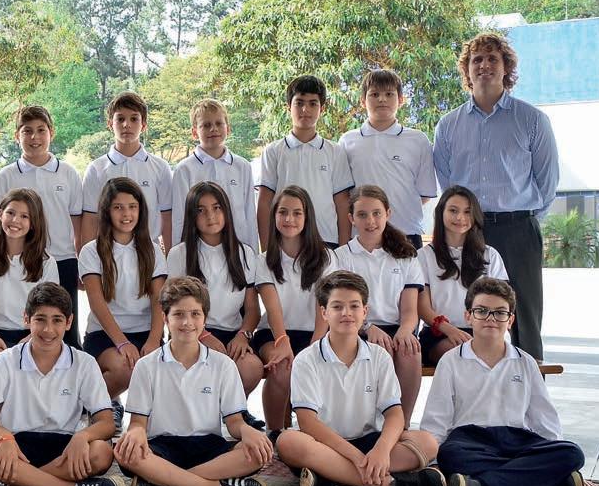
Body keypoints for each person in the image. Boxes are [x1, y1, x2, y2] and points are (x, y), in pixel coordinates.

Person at [433, 32, 558, 360]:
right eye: (477, 59)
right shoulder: (448, 125)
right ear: (467, 70)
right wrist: (463, 220)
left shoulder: (532, 120)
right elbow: (448, 184)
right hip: (469, 230)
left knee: (523, 315)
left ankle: (529, 387)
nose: (484, 65)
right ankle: (476, 383)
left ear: (506, 68)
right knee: (472, 310)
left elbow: (547, 182)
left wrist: (522, 220)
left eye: (493, 58)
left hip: (519, 230)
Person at [276, 271, 445, 486]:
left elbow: (395, 414)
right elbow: (308, 422)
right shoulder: (306, 359)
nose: (346, 313)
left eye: (354, 306)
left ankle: (328, 476)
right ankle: (391, 484)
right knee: (288, 442)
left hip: (368, 442)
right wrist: (356, 458)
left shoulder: (379, 356)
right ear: (324, 313)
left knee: (427, 442)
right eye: (337, 307)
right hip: (324, 444)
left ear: (365, 312)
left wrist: (381, 450)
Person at [422, 278, 588, 486]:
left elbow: (543, 417)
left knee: (572, 453)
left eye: (500, 313)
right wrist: (433, 461)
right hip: (470, 441)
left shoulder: (525, 362)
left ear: (510, 320)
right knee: (450, 456)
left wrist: (559, 453)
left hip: (517, 440)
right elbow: (437, 418)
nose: (491, 318)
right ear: (468, 316)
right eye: (482, 311)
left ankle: (478, 485)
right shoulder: (451, 361)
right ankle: (551, 479)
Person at [114, 277, 272, 486]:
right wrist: (135, 432)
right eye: (178, 314)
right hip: (163, 447)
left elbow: (235, 423)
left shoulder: (223, 365)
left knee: (257, 453)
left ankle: (162, 482)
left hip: (208, 447)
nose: (187, 322)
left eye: (195, 314)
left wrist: (248, 431)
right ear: (165, 318)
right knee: (125, 454)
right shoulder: (146, 365)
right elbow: (138, 423)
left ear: (205, 318)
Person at [0, 283, 124, 486]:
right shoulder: (6, 359)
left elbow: (106, 422)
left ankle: (8, 484)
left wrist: (83, 436)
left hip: (63, 447)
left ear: (69, 322)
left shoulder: (84, 363)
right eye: (40, 319)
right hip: (15, 446)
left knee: (102, 452)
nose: (48, 330)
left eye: (57, 320)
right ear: (26, 319)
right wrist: (3, 436)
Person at [0, 105, 84, 348]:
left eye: (41, 130)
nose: (34, 137)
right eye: (27, 131)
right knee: (29, 324)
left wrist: (81, 264)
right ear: (17, 136)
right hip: (22, 262)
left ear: (51, 133)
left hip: (63, 260)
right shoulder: (5, 176)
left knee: (66, 332)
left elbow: (78, 223)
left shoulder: (68, 173)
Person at [79, 178, 166, 429]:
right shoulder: (91, 251)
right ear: (107, 211)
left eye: (132, 207)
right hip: (105, 334)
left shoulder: (152, 250)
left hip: (145, 332)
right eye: (118, 207)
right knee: (126, 369)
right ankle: (95, 404)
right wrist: (122, 342)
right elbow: (96, 302)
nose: (126, 214)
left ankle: (140, 419)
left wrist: (153, 340)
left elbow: (159, 301)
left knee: (160, 369)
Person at [333, 186, 424, 426]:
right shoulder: (341, 257)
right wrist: (367, 327)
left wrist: (405, 331)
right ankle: (367, 425)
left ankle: (402, 425)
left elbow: (410, 310)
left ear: (388, 214)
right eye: (362, 215)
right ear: (351, 218)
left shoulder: (406, 255)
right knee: (377, 350)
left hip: (395, 327)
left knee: (410, 351)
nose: (370, 221)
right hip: (355, 327)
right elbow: (341, 306)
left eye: (376, 213)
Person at [251, 186, 335, 434]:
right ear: (274, 216)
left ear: (307, 217)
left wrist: (316, 344)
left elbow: (325, 302)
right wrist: (282, 340)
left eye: (297, 213)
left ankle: (317, 433)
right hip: (274, 333)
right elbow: (272, 305)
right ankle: (275, 433)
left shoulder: (326, 257)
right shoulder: (264, 260)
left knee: (323, 365)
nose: (289, 219)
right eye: (283, 212)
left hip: (315, 332)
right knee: (281, 368)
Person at [166, 183, 263, 398]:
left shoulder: (245, 253)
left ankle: (234, 410)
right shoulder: (179, 254)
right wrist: (203, 335)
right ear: (192, 216)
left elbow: (252, 309)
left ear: (226, 211)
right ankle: (206, 411)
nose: (210, 216)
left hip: (233, 333)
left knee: (251, 368)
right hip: (192, 332)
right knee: (205, 368)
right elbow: (174, 308)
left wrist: (243, 335)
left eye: (217, 208)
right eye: (201, 210)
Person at [339, 70, 436, 247]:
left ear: (401, 99)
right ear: (363, 101)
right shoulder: (347, 141)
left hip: (406, 234)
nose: (382, 99)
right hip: (362, 236)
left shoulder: (418, 140)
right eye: (374, 94)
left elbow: (424, 195)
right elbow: (343, 196)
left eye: (389, 94)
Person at [257, 75, 353, 249]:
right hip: (284, 241)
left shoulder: (335, 151)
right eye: (299, 103)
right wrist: (266, 250)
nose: (305, 109)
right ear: (289, 106)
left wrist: (344, 250)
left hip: (325, 240)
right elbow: (264, 202)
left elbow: (342, 203)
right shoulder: (273, 151)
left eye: (313, 103)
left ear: (322, 108)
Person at [417, 186, 509, 364]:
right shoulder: (424, 256)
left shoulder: (490, 255)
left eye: (467, 212)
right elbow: (422, 307)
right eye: (453, 211)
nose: (460, 218)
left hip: (484, 331)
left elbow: (502, 301)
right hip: (440, 333)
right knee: (465, 355)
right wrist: (450, 330)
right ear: (441, 212)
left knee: (494, 354)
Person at [0, 189, 59, 370]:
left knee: (33, 363)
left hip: (35, 334)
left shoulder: (47, 263)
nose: (15, 220)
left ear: (34, 223)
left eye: (24, 216)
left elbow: (50, 312)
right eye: (10, 213)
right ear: (0, 215)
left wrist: (31, 338)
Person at [81, 91, 173, 251]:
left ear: (144, 125)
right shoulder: (97, 169)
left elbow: (167, 217)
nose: (126, 125)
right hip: (108, 253)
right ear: (110, 124)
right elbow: (90, 219)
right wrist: (88, 260)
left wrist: (170, 258)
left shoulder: (160, 167)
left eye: (134, 119)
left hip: (149, 252)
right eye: (120, 119)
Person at [171, 98, 259, 250]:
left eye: (219, 123)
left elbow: (249, 214)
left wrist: (253, 254)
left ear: (228, 129)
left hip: (237, 248)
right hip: (199, 251)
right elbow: (179, 218)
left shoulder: (242, 166)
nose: (213, 129)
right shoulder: (184, 170)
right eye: (206, 125)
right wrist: (180, 255)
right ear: (194, 132)